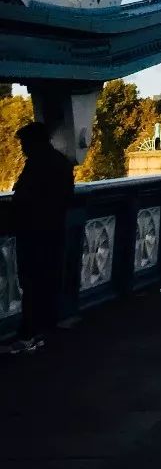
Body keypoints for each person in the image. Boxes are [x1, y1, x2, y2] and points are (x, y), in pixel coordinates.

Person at [9, 123, 74, 353]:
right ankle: (44, 329)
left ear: (32, 143)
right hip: (54, 230)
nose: (23, 149)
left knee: (31, 281)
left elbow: (24, 199)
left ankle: (29, 332)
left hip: (33, 232)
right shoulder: (62, 163)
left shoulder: (36, 165)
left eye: (24, 144)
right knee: (48, 279)